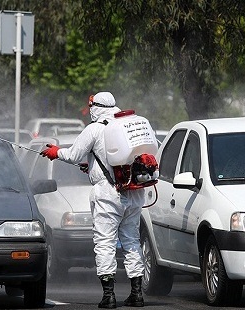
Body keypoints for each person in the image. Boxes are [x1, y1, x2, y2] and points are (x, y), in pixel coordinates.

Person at [41, 91, 147, 308]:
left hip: (108, 194)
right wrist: (91, 167)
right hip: (134, 192)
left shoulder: (96, 128)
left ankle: (109, 296)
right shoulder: (129, 125)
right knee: (132, 241)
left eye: (91, 106)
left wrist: (55, 152)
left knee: (105, 243)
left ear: (97, 107)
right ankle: (137, 293)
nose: (89, 110)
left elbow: (73, 155)